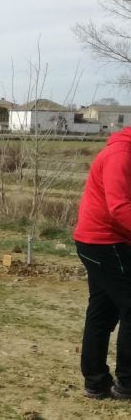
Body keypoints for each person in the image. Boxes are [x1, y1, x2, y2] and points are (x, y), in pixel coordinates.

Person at [73, 128, 131, 399]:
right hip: (105, 242)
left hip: (102, 242)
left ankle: (96, 382)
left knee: (102, 310)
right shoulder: (121, 154)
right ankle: (127, 382)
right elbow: (119, 207)